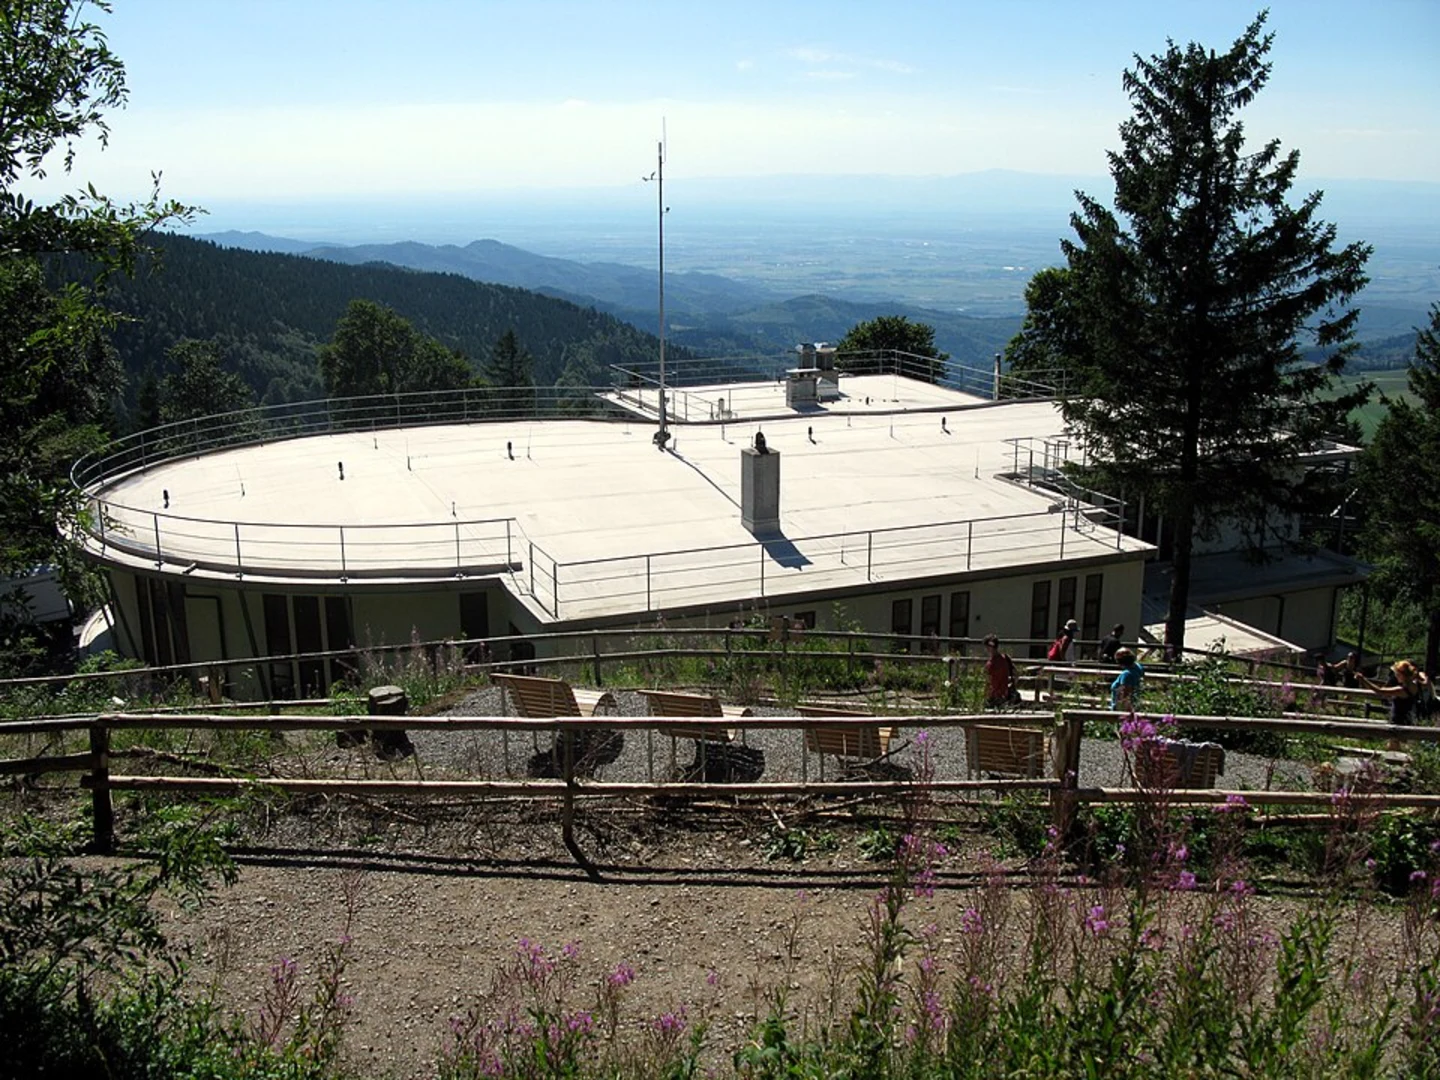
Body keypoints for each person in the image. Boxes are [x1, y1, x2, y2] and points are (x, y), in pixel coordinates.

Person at [1359, 659, 1428, 726]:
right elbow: (1424, 680)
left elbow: (1379, 690)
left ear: (1402, 675)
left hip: (1398, 722)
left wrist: (1363, 680)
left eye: (1397, 674)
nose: (1396, 676)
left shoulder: (1401, 690)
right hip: (1409, 720)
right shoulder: (1415, 685)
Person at [983, 634, 1020, 710]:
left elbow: (987, 683)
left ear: (989, 647)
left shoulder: (990, 664)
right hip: (1005, 696)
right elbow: (1016, 674)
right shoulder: (1006, 659)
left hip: (993, 698)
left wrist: (984, 697)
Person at [1109, 647, 1144, 711]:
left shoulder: (1126, 674)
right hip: (1136, 703)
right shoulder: (1138, 667)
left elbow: (1125, 695)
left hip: (1122, 708)